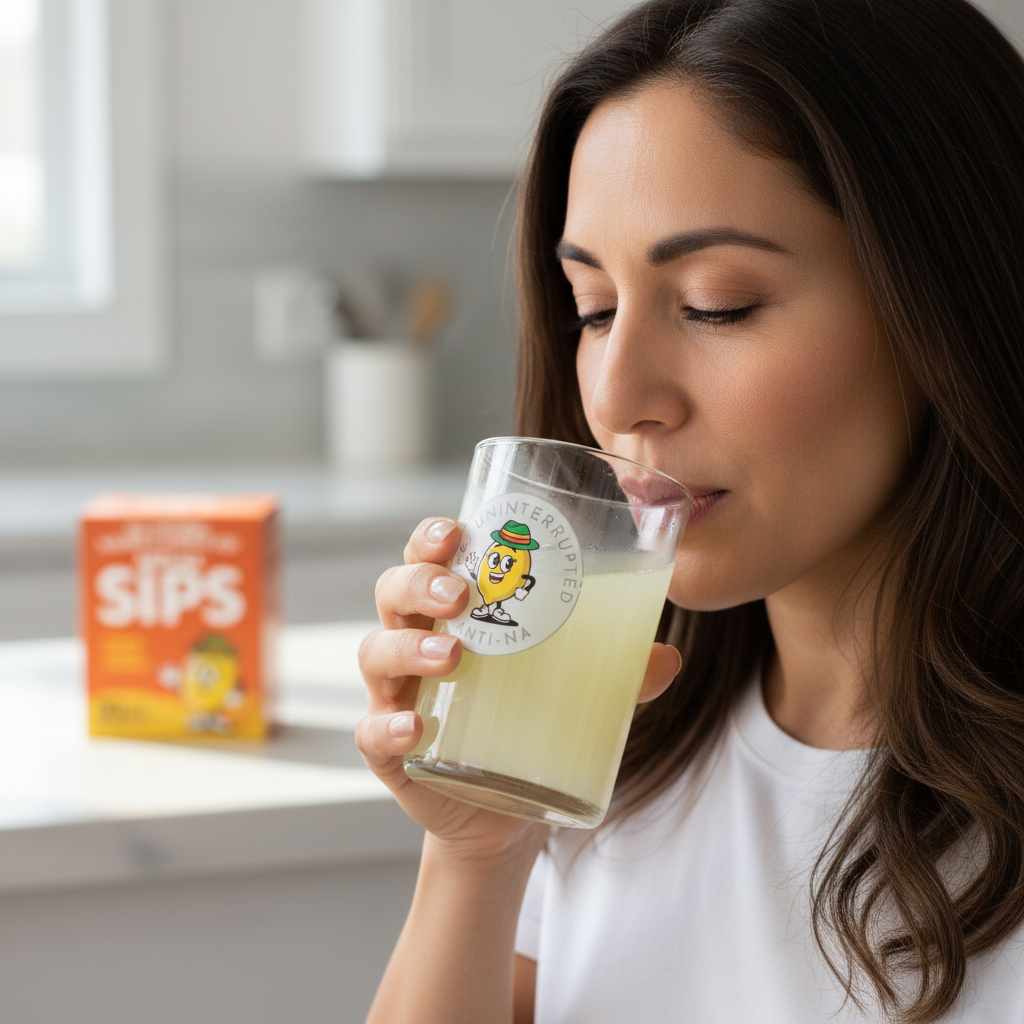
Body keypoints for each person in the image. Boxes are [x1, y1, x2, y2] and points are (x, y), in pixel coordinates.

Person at [355, 0, 1024, 1020]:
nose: (618, 396)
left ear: (946, 297)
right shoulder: (612, 754)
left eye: (716, 303)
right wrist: (473, 854)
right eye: (592, 310)